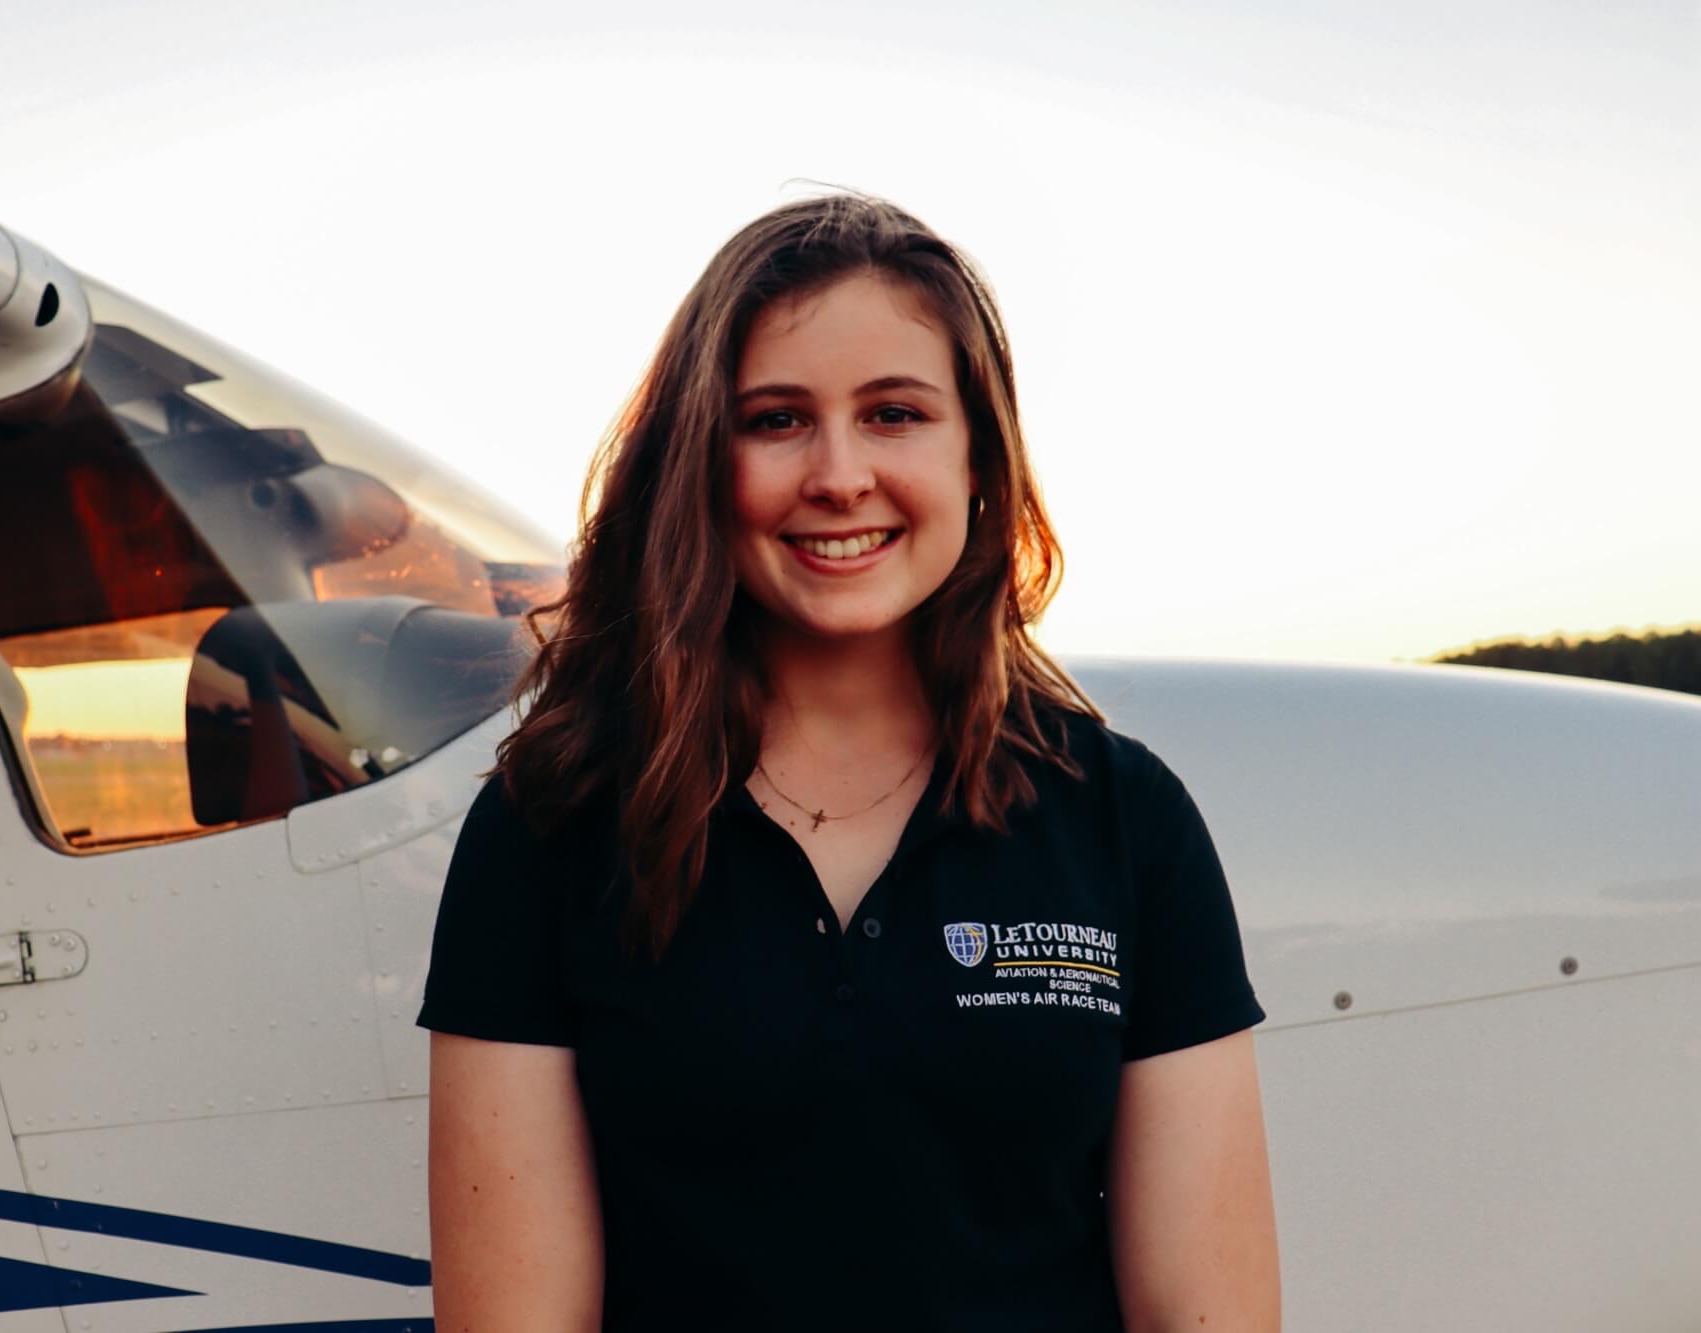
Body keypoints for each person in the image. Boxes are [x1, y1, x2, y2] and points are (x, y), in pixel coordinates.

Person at [416, 191, 1279, 1332]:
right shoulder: (550, 823)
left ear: (977, 451)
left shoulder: (1124, 819)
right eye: (775, 419)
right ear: (698, 461)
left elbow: (1201, 1311)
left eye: (893, 414)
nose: (836, 475)